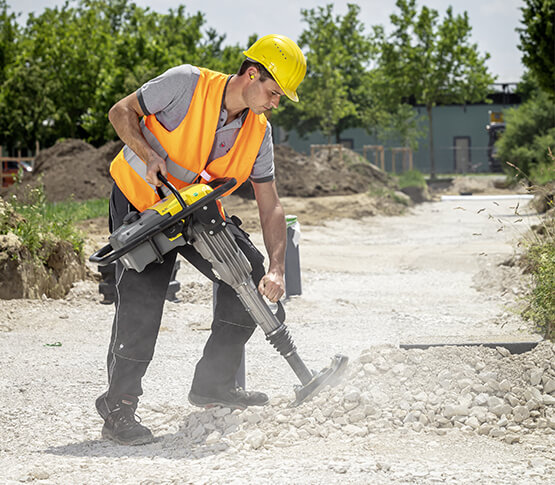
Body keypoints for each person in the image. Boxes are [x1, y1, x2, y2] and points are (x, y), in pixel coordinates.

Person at [95, 34, 307, 445]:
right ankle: (118, 409)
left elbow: (271, 204)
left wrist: (279, 268)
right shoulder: (186, 84)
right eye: (274, 92)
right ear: (251, 74)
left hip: (194, 209)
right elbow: (120, 112)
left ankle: (213, 382)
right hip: (142, 204)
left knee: (247, 272)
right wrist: (147, 153)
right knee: (143, 297)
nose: (275, 102)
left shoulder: (259, 132)